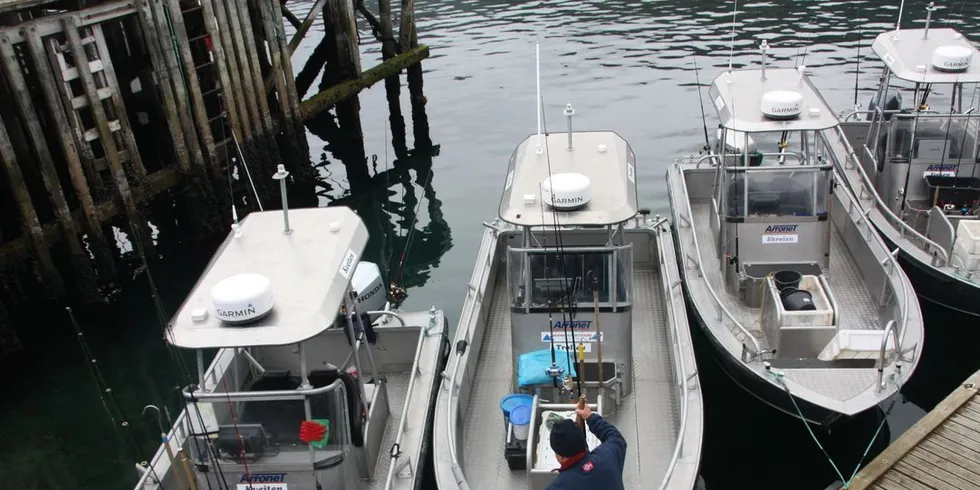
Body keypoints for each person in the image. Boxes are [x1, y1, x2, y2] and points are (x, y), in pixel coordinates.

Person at [546, 403, 627, 490]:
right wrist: (590, 417)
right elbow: (616, 437)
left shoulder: (559, 486)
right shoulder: (608, 456)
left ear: (561, 457)